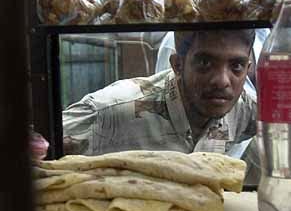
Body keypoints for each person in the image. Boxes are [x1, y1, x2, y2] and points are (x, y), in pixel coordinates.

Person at [62, 29, 260, 180]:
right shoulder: (111, 111)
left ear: (247, 69)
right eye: (205, 63)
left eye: (236, 66)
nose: (222, 81)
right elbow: (39, 147)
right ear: (177, 65)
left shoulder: (244, 110)